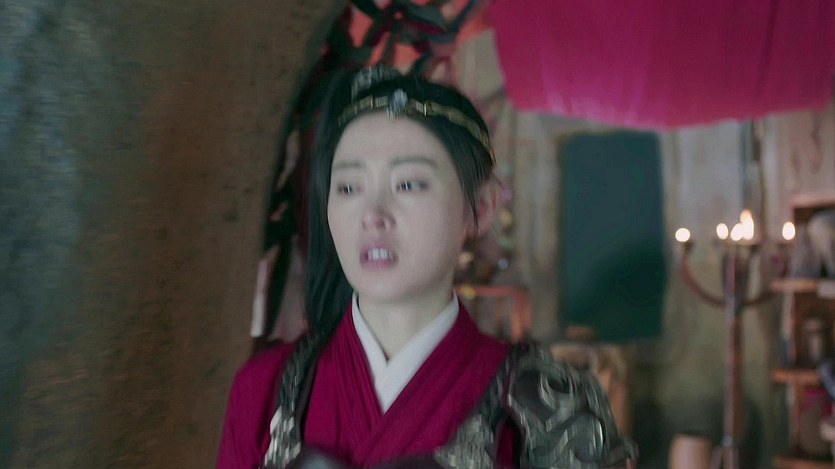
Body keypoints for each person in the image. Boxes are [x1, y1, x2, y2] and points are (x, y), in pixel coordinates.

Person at [217, 65, 636, 469]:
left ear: (482, 206)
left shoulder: (550, 407)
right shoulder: (266, 389)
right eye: (348, 187)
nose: (372, 214)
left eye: (408, 184)